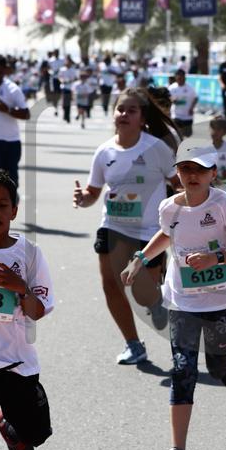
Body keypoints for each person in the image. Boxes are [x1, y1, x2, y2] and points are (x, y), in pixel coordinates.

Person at [120, 143, 226, 450]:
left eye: (199, 169)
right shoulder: (169, 207)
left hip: (221, 302)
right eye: (185, 168)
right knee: (183, 370)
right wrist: (141, 259)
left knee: (218, 367)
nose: (192, 175)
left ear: (213, 173)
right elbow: (166, 234)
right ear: (177, 173)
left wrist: (217, 258)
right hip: (182, 302)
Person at [73, 88, 180, 365]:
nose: (124, 114)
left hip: (149, 231)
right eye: (120, 109)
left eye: (131, 110)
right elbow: (93, 192)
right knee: (111, 285)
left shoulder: (157, 149)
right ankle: (133, 344)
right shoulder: (104, 151)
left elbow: (177, 183)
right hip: (113, 226)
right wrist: (83, 198)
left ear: (142, 118)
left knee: (143, 295)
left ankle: (155, 301)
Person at [0, 170, 54, 450]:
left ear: (14, 211)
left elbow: (37, 311)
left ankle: (3, 417)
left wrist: (20, 288)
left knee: (32, 437)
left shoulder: (28, 253)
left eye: (2, 205)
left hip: (15, 364)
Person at [0, 54, 30, 188]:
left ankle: (12, 200)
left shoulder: (13, 89)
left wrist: (8, 110)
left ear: (5, 70)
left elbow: (26, 114)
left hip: (11, 142)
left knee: (10, 182)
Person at [168, 69, 198, 138]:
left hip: (187, 116)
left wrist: (192, 108)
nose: (181, 79)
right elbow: (167, 97)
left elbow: (195, 98)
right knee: (178, 135)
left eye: (182, 77)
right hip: (176, 115)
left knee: (187, 135)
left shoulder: (190, 87)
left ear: (185, 77)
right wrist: (172, 99)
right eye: (179, 78)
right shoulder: (172, 87)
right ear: (176, 78)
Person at [58, 56, 77, 124]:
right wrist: (62, 81)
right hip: (64, 87)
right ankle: (65, 114)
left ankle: (67, 116)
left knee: (68, 103)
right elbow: (60, 77)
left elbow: (75, 78)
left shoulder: (73, 70)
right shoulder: (62, 69)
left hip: (70, 88)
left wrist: (71, 80)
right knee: (64, 102)